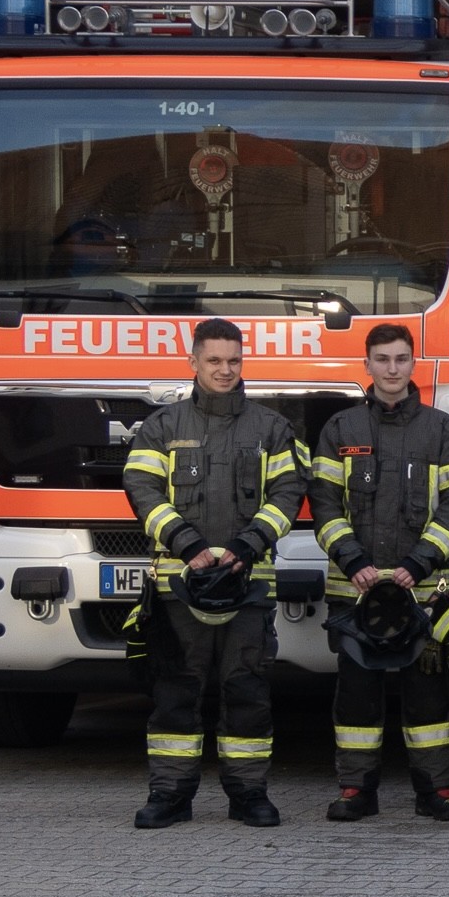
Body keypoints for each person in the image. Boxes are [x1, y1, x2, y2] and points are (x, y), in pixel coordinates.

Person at [121, 318, 306, 829]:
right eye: (214, 361)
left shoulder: (271, 428)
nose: (225, 370)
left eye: (233, 361)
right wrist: (189, 545)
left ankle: (248, 794)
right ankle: (170, 796)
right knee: (176, 692)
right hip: (179, 585)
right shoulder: (162, 426)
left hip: (248, 585)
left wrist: (248, 546)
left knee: (247, 691)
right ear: (193, 362)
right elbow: (141, 489)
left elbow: (288, 494)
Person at [308, 323, 449, 823]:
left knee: (429, 696)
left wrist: (417, 564)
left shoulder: (441, 429)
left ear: (413, 364)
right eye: (382, 359)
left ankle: (437, 791)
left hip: (423, 593)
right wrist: (354, 562)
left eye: (401, 359)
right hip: (354, 592)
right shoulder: (340, 429)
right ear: (367, 365)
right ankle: (356, 791)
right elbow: (322, 503)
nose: (392, 369)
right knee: (357, 697)